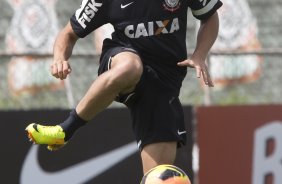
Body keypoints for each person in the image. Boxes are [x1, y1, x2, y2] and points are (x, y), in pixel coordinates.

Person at [25, 0, 222, 174]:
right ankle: (65, 130)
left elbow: (210, 17)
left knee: (159, 177)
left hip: (163, 83)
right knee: (131, 67)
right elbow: (67, 34)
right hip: (122, 56)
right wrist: (59, 58)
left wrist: (200, 54)